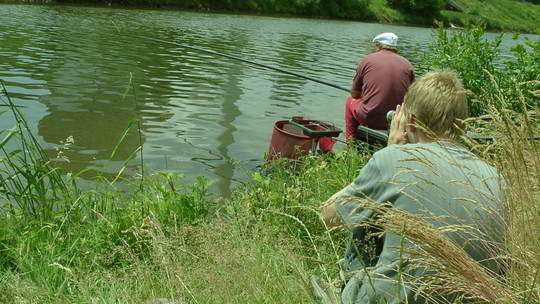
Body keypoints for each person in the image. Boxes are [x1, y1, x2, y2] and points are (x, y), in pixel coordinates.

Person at [317, 71, 504, 303]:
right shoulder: (497, 178)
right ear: (462, 126)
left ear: (410, 121)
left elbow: (328, 216)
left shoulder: (392, 160)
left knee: (367, 217)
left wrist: (390, 149)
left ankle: (344, 293)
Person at [345, 32, 414, 141]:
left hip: (370, 118)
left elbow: (354, 94)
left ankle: (350, 145)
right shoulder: (407, 64)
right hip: (395, 120)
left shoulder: (367, 60)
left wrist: (367, 93)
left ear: (379, 45)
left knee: (350, 101)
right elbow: (411, 98)